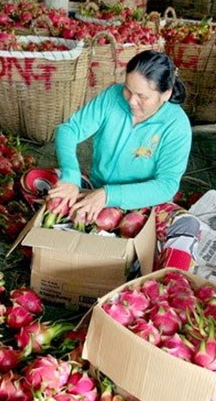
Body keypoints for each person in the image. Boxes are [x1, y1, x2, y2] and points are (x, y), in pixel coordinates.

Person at [47, 49, 201, 271]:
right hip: (92, 191)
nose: (131, 101)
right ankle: (115, 241)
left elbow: (167, 185)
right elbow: (69, 130)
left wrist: (109, 195)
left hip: (141, 205)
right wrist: (71, 176)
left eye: (143, 96)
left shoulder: (176, 125)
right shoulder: (112, 97)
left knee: (187, 225)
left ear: (165, 94)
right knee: (38, 180)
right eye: (128, 90)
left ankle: (168, 281)